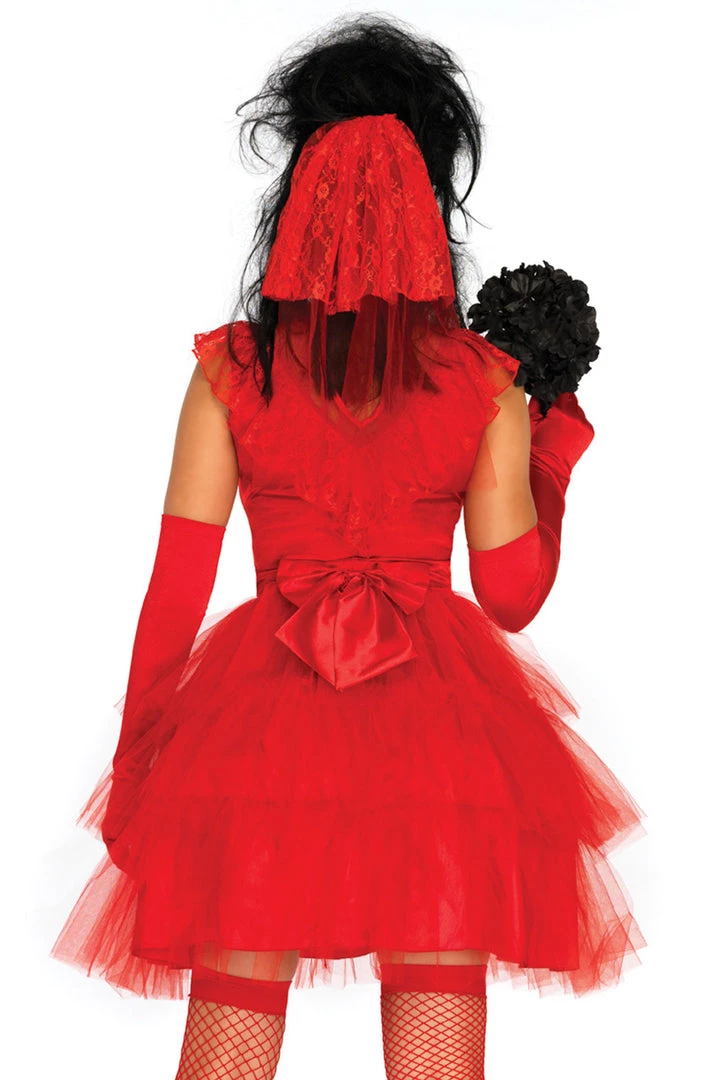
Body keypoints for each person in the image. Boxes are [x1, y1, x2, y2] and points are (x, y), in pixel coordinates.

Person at [49, 15, 647, 1080]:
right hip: (444, 741)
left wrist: (139, 760)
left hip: (256, 739)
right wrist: (549, 451)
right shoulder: (483, 382)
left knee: (229, 1042)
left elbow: (176, 589)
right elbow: (511, 594)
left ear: (299, 202)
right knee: (436, 1053)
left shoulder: (233, 371)